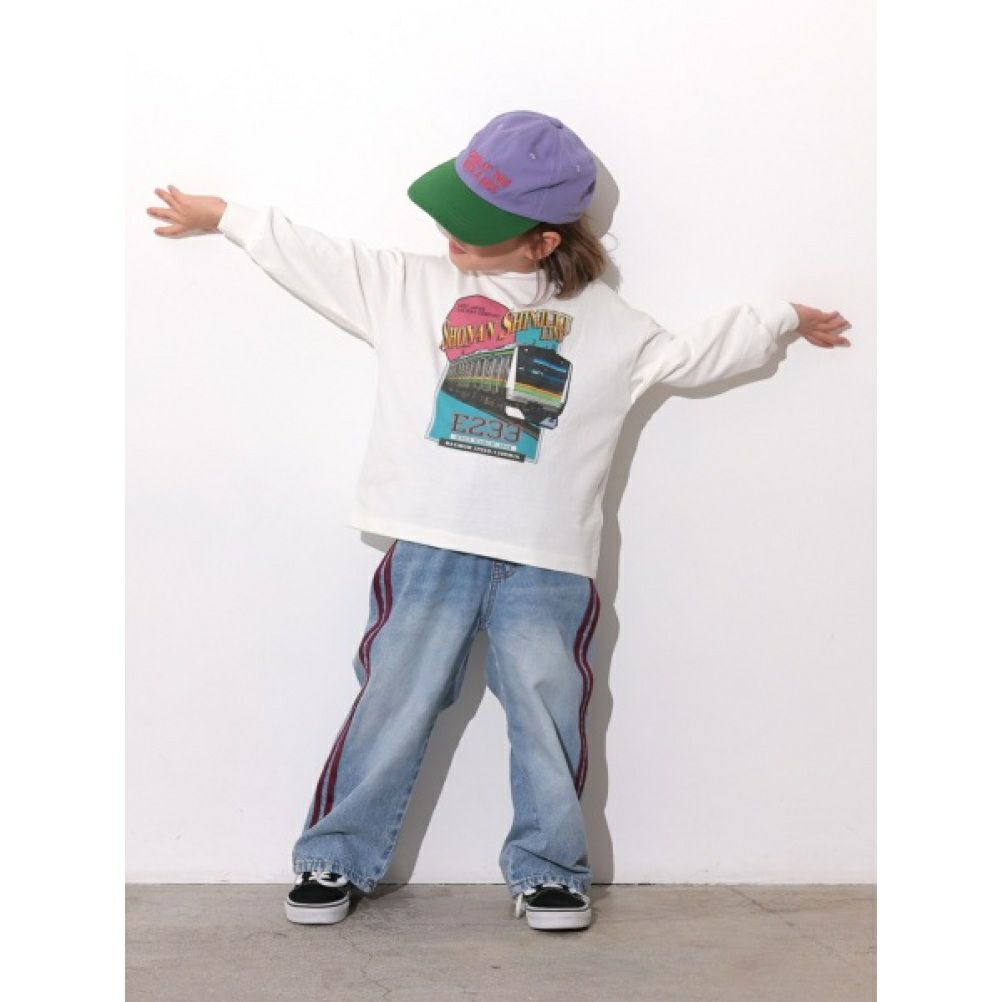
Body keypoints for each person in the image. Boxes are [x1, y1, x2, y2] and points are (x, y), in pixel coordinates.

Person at [146, 109, 852, 933]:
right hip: (431, 545)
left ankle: (550, 868)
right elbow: (319, 259)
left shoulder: (610, 327)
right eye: (454, 212)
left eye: (478, 228)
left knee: (547, 713)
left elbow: (692, 356)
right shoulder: (409, 287)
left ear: (543, 241)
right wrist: (226, 216)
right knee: (393, 701)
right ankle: (336, 853)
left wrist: (779, 319)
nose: (452, 234)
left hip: (546, 560)